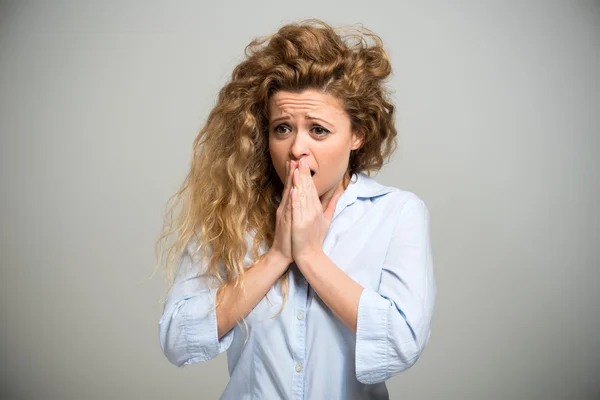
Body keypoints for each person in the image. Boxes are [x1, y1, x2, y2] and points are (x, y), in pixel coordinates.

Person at [156, 19, 436, 400]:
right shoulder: (232, 211)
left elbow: (402, 342)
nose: (296, 149)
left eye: (318, 130)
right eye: (283, 128)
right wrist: (277, 256)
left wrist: (309, 255)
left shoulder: (397, 213)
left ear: (358, 134)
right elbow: (177, 338)